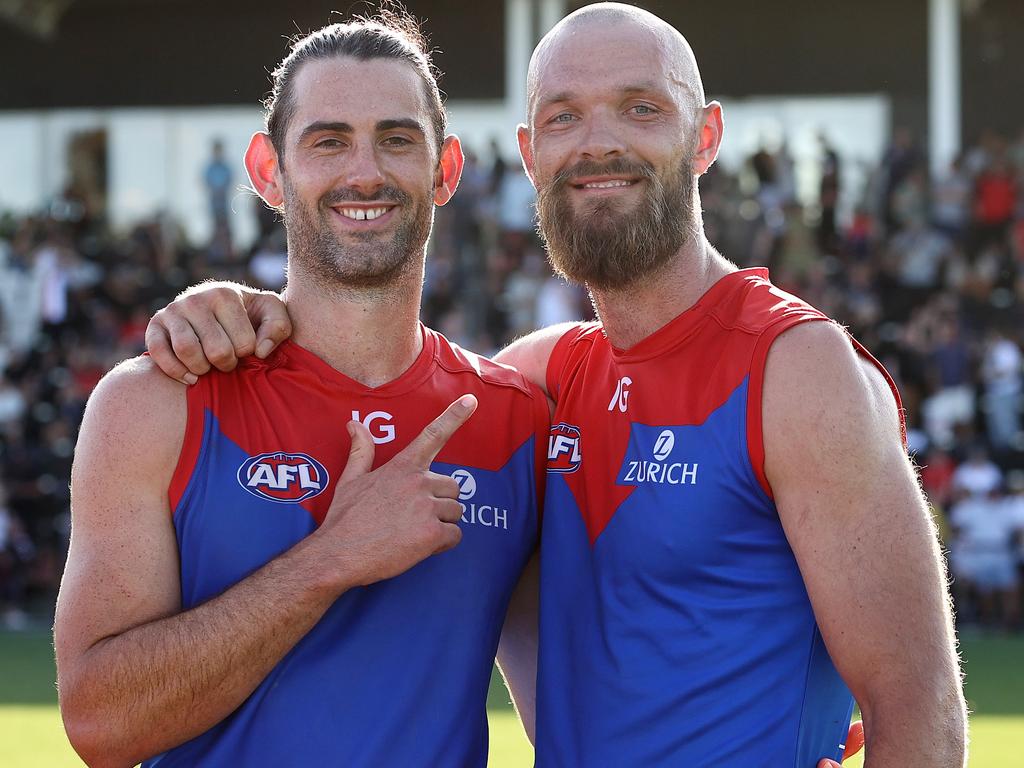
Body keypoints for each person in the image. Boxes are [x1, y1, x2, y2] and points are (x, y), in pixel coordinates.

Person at [148, 4, 963, 767]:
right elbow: (383, 368)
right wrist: (230, 310)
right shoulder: (538, 381)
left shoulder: (796, 367)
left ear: (704, 135)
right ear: (530, 151)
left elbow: (919, 705)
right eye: (563, 116)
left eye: (641, 108)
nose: (597, 143)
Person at [54, 13, 549, 767]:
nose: (365, 172)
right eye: (327, 141)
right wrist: (332, 559)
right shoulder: (162, 399)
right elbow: (100, 724)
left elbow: (579, 695)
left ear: (446, 170)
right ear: (267, 171)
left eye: (396, 138)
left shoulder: (517, 422)